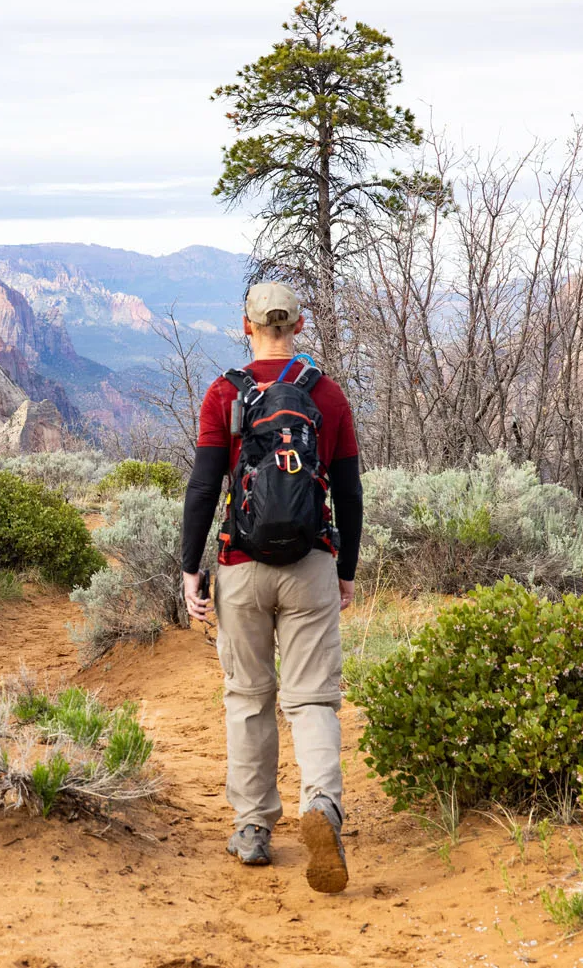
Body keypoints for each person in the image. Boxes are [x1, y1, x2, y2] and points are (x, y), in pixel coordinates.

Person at [180, 282, 363, 895]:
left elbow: (205, 487)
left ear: (246, 325)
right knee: (311, 699)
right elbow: (349, 491)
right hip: (311, 562)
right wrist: (345, 570)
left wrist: (190, 569)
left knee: (249, 696)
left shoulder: (225, 393)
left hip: (241, 564)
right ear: (300, 325)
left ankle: (254, 827)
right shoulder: (326, 395)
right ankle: (324, 807)